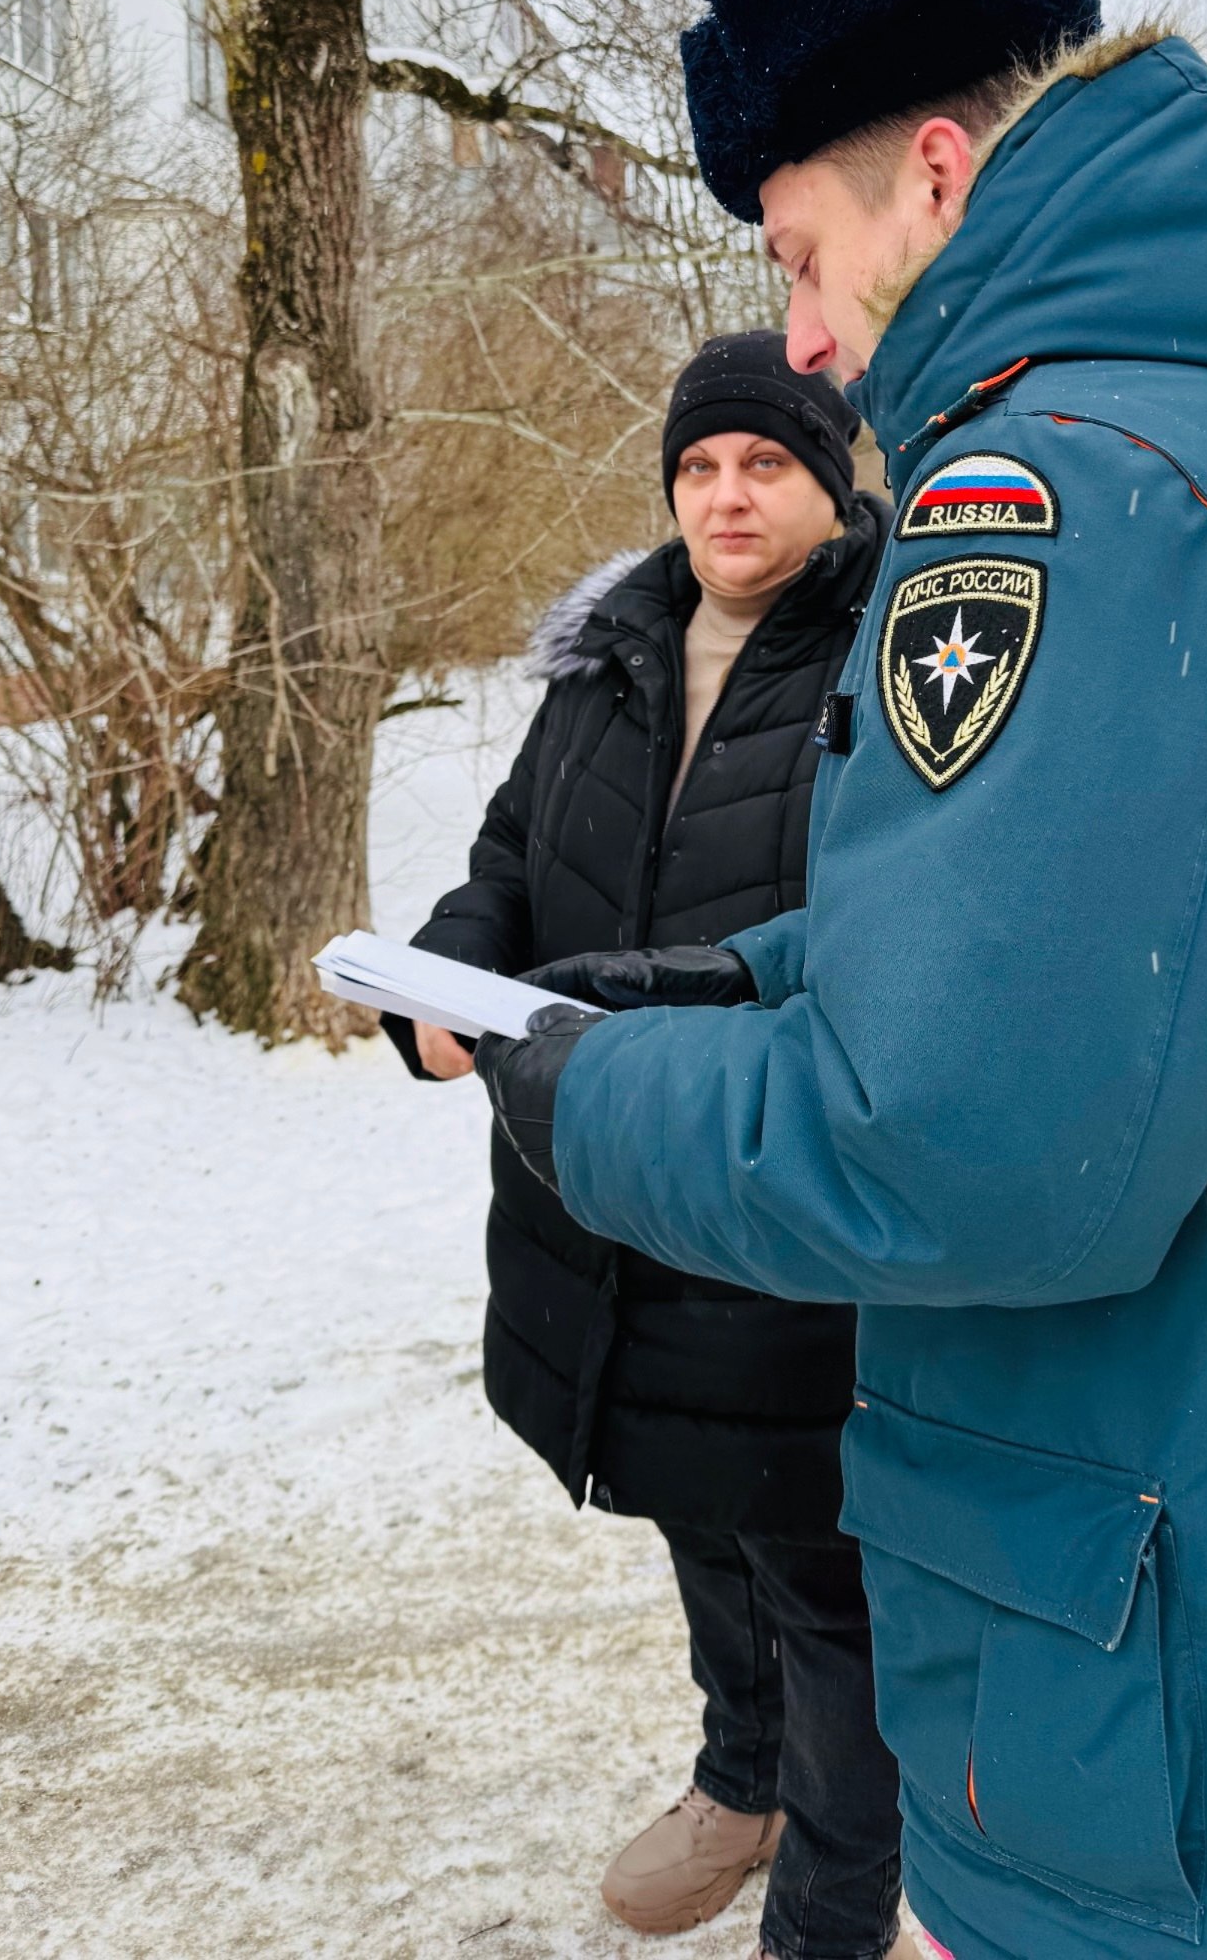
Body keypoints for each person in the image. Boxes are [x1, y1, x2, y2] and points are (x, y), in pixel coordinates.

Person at [476, 0, 1207, 1960]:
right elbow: (1106, 945)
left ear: (937, 175)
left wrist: (582, 1094)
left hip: (1184, 1704)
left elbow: (965, 1145)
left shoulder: (1060, 493)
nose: (801, 336)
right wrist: (729, 980)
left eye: (801, 255)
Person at [383, 333, 908, 1960]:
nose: (727, 496)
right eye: (699, 467)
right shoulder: (610, 654)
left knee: (820, 1573)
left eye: (766, 464)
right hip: (599, 1175)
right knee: (694, 1505)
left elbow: (894, 934)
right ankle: (741, 1784)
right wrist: (443, 975)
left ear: (831, 481)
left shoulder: (891, 655)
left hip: (768, 1185)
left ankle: (835, 1906)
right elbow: (510, 858)